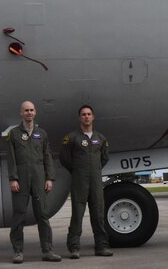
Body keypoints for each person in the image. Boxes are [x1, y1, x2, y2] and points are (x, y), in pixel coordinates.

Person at [6, 101, 62, 264]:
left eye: (31, 110)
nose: (29, 113)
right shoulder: (14, 134)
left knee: (43, 215)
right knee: (18, 216)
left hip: (39, 179)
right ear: (21, 113)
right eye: (26, 110)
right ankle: (18, 252)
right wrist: (13, 178)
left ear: (35, 112)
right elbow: (11, 158)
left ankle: (47, 251)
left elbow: (47, 156)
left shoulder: (42, 134)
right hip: (21, 180)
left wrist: (49, 178)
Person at [60, 105, 113, 258]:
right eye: (83, 114)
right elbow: (64, 158)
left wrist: (95, 169)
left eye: (89, 114)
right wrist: (77, 170)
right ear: (79, 118)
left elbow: (105, 157)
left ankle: (101, 247)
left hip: (96, 180)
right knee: (77, 214)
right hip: (79, 180)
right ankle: (74, 248)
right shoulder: (71, 138)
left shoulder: (100, 138)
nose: (86, 117)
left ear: (93, 117)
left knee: (98, 213)